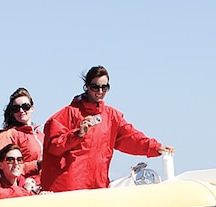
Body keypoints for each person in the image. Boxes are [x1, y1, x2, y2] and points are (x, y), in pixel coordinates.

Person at [41, 65, 174, 193]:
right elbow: (53, 146)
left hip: (98, 188)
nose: (100, 91)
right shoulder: (65, 115)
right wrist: (78, 134)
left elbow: (131, 138)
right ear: (86, 86)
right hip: (70, 189)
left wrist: (156, 148)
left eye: (104, 87)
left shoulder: (111, 117)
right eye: (95, 87)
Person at [0, 88, 43, 177]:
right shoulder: (9, 136)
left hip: (45, 186)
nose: (21, 111)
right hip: (23, 187)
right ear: (12, 112)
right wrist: (37, 165)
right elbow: (3, 169)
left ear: (32, 108)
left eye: (25, 106)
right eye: (16, 108)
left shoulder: (41, 135)